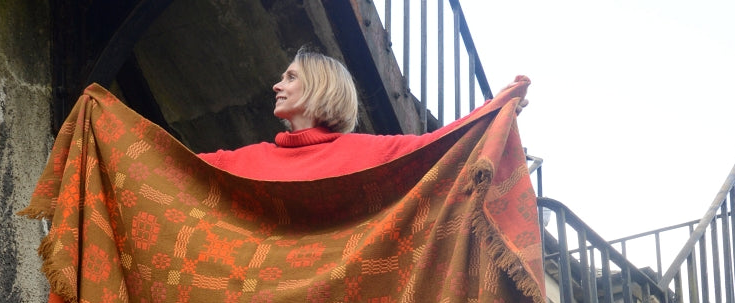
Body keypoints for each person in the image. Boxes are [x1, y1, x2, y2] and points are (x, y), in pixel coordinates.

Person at [198, 47, 527, 181]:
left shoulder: (366, 152)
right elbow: (171, 166)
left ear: (319, 87)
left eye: (291, 77)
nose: (276, 85)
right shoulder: (249, 159)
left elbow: (439, 147)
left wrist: (493, 111)